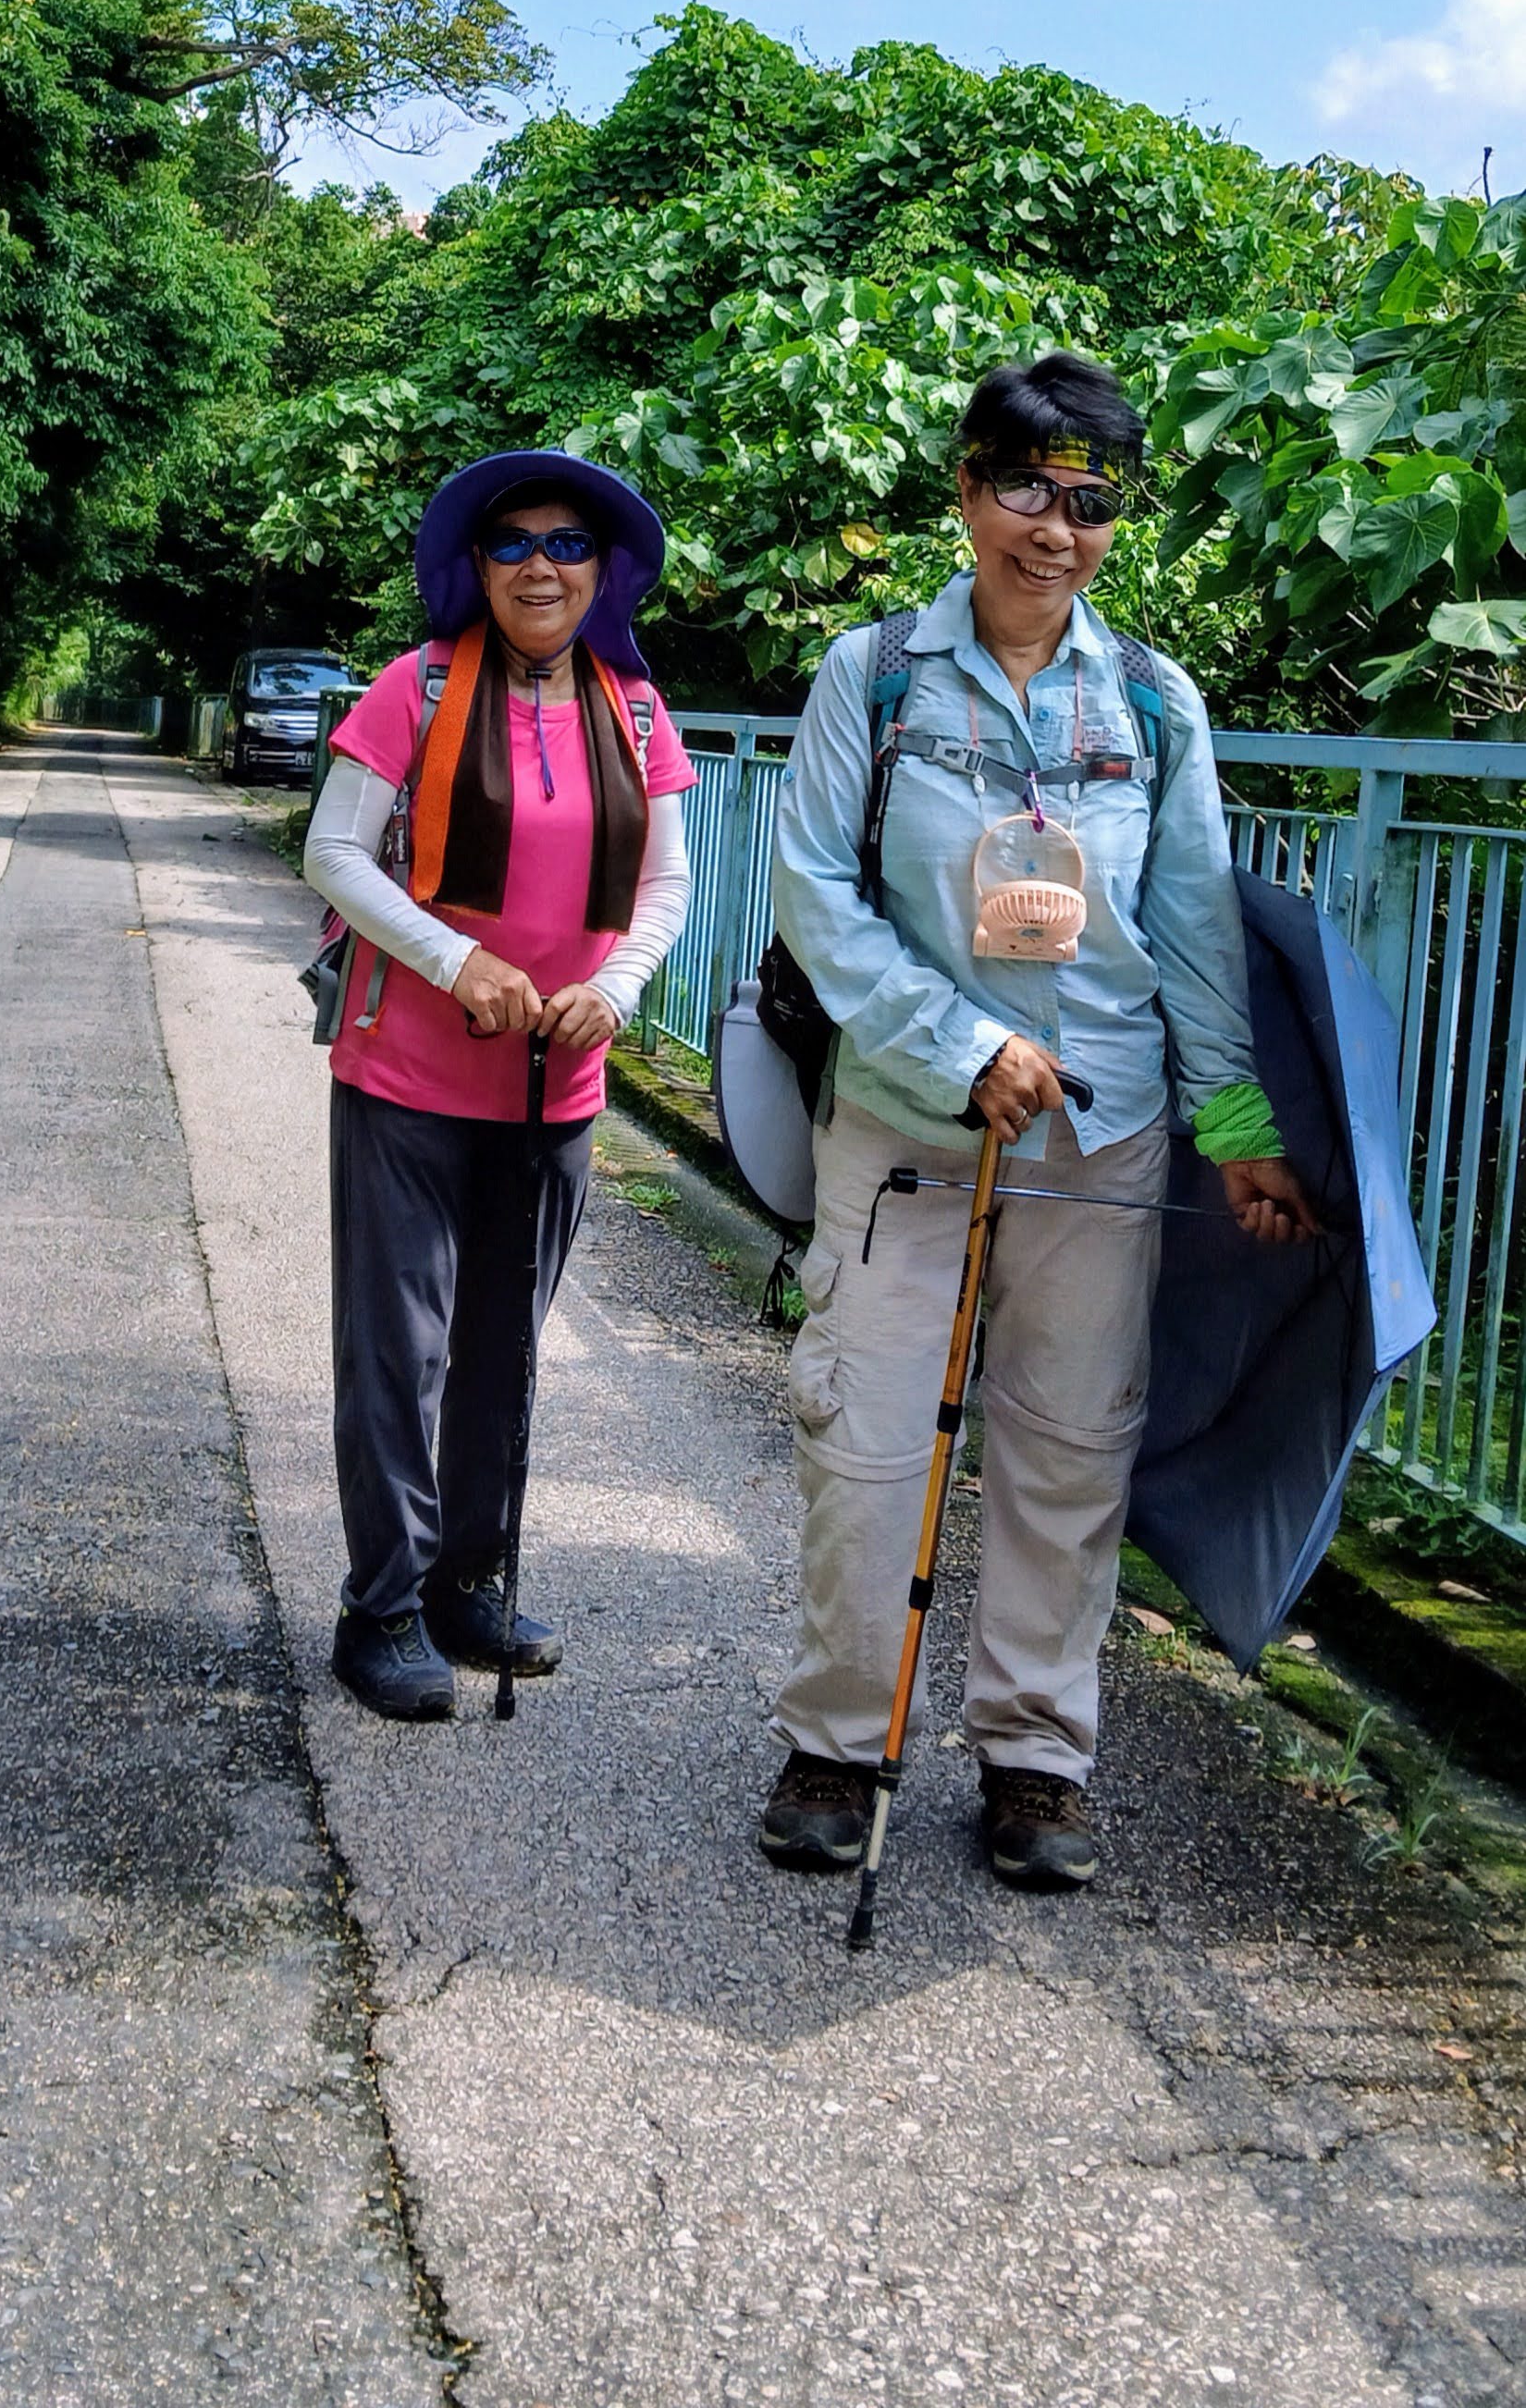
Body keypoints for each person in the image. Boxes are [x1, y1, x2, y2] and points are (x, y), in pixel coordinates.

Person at [761, 350, 1317, 1891]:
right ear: (966, 490)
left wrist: (1235, 1123)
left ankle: (1036, 1757)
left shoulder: (1153, 701)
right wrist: (962, 1048)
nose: (1055, 530)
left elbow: (1193, 933)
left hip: (1103, 1138)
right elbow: (815, 897)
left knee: (1071, 1448)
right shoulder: (873, 674)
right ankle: (839, 1739)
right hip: (906, 1126)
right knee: (872, 1443)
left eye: (1090, 503)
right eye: (1024, 487)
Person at [303, 448, 695, 1721]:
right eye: (513, 542)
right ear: (476, 566)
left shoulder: (638, 713)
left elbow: (666, 886)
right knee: (398, 1350)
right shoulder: (414, 687)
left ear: (603, 571)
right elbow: (335, 853)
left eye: (567, 543)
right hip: (408, 1076)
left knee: (502, 1348)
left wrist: (616, 988)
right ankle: (383, 1606)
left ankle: (470, 1582)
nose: (540, 565)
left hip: (555, 1086)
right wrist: (456, 959)